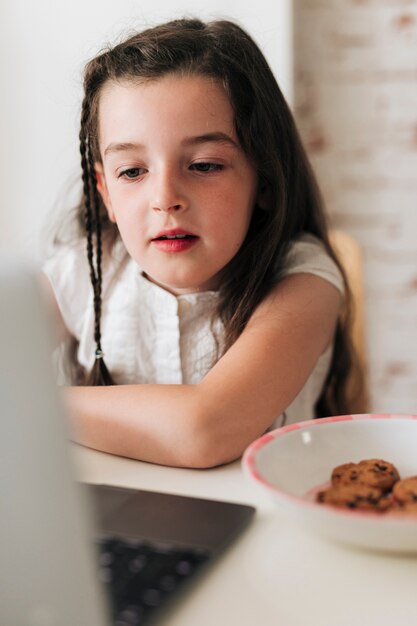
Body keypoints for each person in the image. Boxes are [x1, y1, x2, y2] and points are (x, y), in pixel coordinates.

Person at [42, 17, 359, 468]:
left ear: (264, 179)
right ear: (106, 193)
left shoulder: (303, 282)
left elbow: (202, 429)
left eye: (205, 165)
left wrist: (33, 405)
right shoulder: (79, 272)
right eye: (133, 171)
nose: (165, 199)